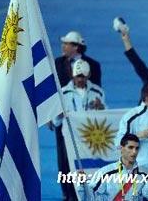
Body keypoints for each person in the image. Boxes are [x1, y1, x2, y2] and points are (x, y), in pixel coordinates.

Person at [53, 59, 106, 201]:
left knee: (91, 167)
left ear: (88, 76)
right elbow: (56, 122)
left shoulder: (97, 92)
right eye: (77, 76)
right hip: (70, 138)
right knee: (69, 168)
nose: (80, 79)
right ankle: (70, 196)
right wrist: (58, 115)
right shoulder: (63, 93)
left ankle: (93, 194)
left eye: (82, 77)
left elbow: (105, 118)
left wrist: (101, 109)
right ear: (72, 76)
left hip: (90, 140)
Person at [89, 133, 146, 200]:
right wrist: (81, 186)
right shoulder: (105, 172)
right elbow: (90, 196)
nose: (134, 152)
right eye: (130, 147)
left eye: (137, 148)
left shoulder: (145, 174)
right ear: (121, 148)